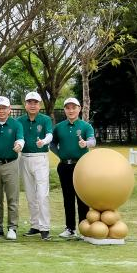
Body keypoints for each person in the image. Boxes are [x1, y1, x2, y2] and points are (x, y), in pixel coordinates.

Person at [50, 97, 95, 239]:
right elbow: (52, 144)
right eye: (68, 108)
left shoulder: (85, 126)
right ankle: (70, 228)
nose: (71, 110)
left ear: (79, 109)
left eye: (73, 107)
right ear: (64, 110)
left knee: (82, 198)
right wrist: (60, 154)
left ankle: (83, 228)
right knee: (67, 197)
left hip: (81, 166)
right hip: (64, 166)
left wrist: (86, 143)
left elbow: (93, 141)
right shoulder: (59, 127)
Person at [19, 92, 54, 241]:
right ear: (25, 104)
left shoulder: (45, 119)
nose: (32, 105)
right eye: (30, 102)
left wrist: (43, 142)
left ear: (39, 105)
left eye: (35, 103)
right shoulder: (20, 120)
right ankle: (35, 225)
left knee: (42, 194)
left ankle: (44, 227)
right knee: (30, 195)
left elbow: (50, 135)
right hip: (24, 158)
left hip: (40, 158)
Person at [0, 96, 23, 240]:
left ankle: (12, 227)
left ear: (9, 109)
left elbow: (20, 138)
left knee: (12, 198)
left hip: (10, 164)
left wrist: (19, 144)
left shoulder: (16, 124)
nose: (1, 111)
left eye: (4, 108)